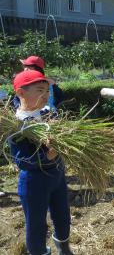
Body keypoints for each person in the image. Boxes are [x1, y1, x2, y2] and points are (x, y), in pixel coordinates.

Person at [8, 70, 74, 255]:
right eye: (39, 90)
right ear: (21, 93)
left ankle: (64, 249)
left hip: (57, 175)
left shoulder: (48, 113)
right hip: (34, 182)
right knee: (36, 225)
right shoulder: (17, 125)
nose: (46, 95)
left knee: (63, 216)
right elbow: (22, 160)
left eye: (47, 91)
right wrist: (47, 156)